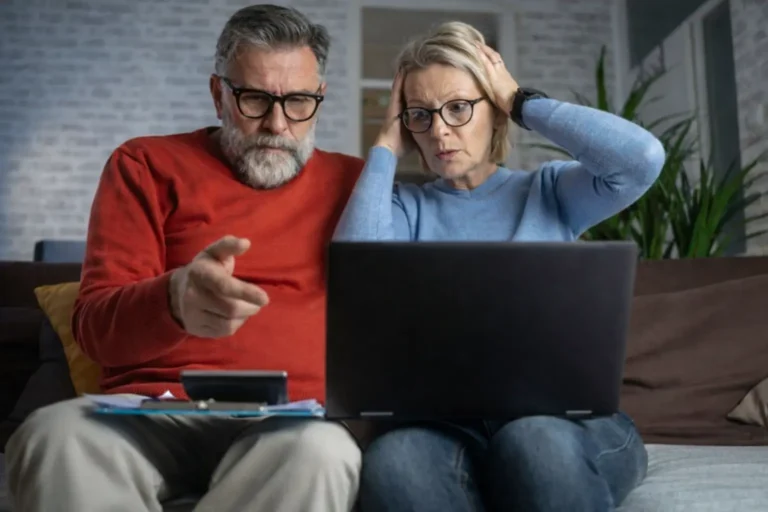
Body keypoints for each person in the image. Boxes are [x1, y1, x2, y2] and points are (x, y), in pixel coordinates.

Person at [6, 5, 365, 512]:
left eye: (299, 101)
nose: (277, 124)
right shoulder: (145, 165)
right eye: (255, 98)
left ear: (320, 99)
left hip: (292, 422)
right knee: (55, 435)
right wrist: (172, 301)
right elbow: (95, 330)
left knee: (324, 452)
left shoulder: (358, 184)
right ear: (218, 93)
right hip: (148, 416)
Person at [333, 22, 665, 512]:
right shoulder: (403, 208)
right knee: (392, 461)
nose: (440, 130)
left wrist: (521, 100)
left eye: (459, 108)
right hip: (440, 428)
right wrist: (384, 145)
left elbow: (640, 159)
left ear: (495, 111)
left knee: (533, 443)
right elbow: (355, 274)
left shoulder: (551, 192)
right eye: (420, 115)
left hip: (563, 421)